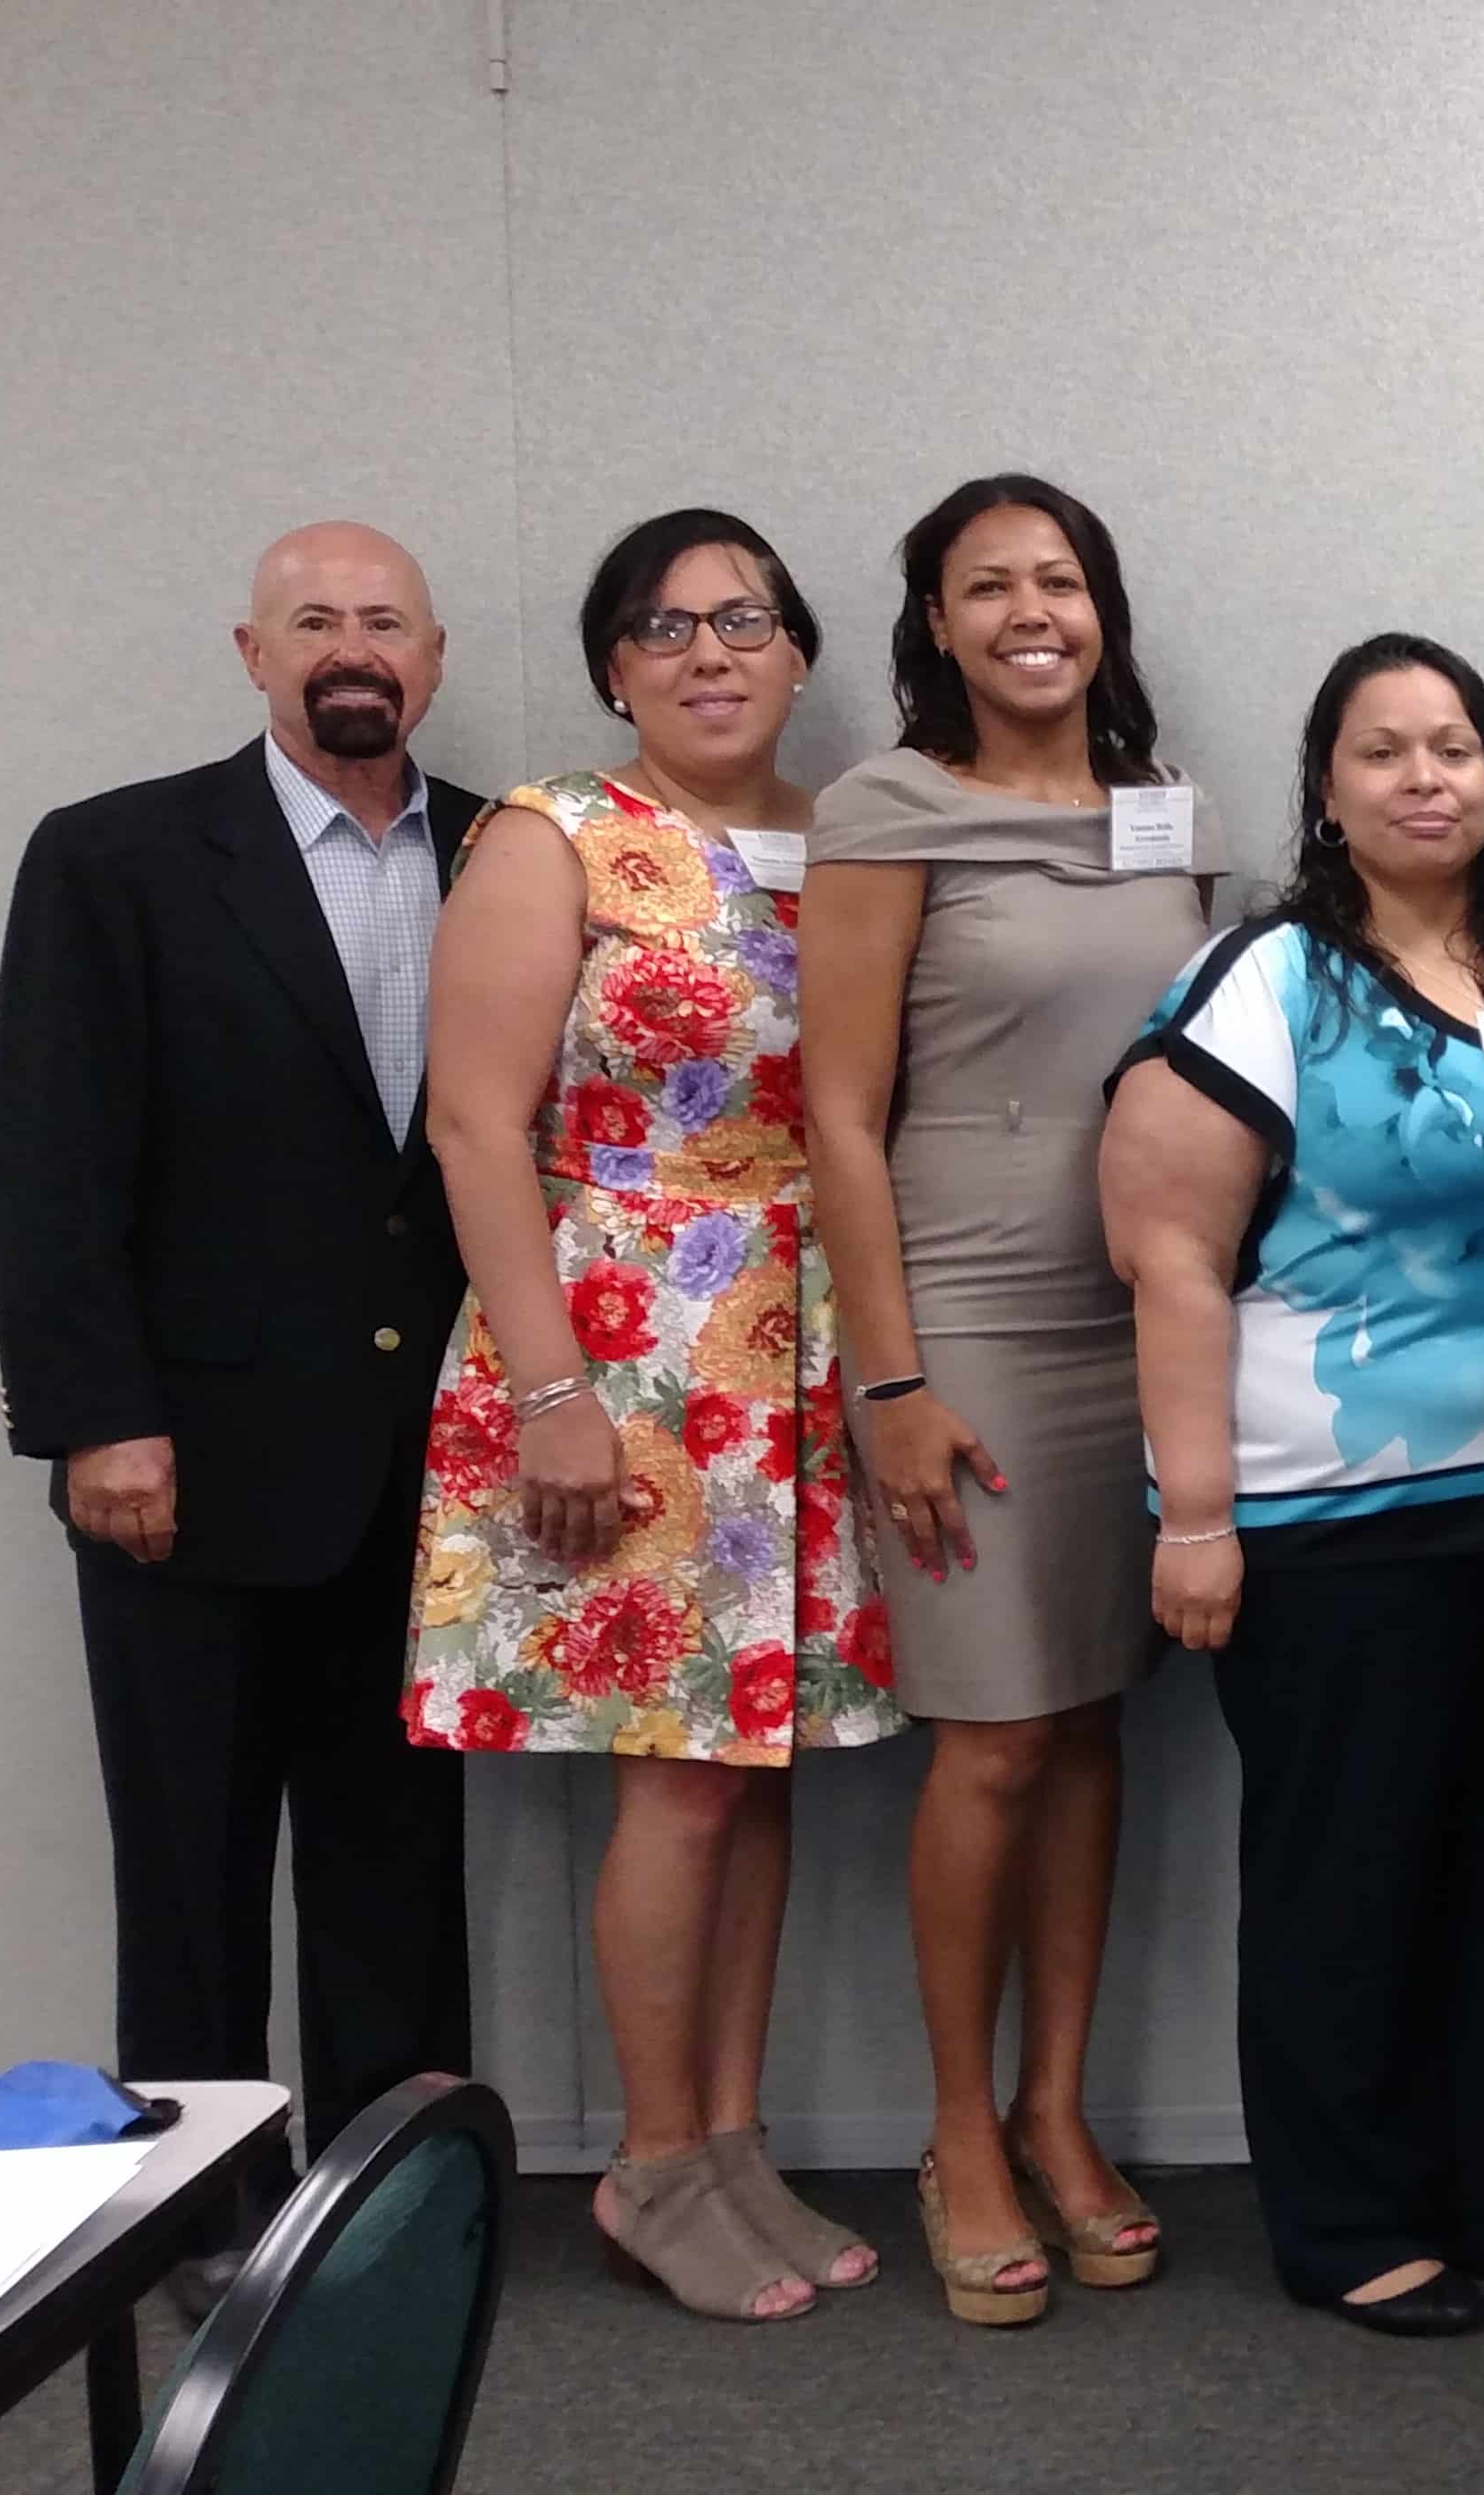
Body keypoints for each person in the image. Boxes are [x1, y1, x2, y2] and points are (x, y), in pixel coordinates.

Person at [1104, 634, 1484, 2340]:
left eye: (1453, 747)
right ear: (1329, 791)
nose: (1425, 778)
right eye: (1383, 752)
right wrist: (1193, 1516)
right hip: (1335, 1530)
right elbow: (1171, 1256)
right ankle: (1347, 2218)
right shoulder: (1271, 979)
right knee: (1349, 1875)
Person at [401, 508, 907, 2323]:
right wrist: (552, 1392)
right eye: (667, 626)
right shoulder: (557, 837)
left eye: (747, 622)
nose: (710, 653)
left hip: (799, 1339)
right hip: (626, 1342)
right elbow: (475, 1124)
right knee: (675, 1785)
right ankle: (648, 2162)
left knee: (754, 1771)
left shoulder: (851, 838)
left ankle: (730, 2133)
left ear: (796, 656)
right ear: (616, 663)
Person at [0, 521, 485, 2309]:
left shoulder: (508, 852)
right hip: (183, 1469)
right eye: (313, 621)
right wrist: (95, 1421)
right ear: (252, 653)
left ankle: (395, 2213)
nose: (352, 647)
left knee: (395, 1874)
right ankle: (196, 2222)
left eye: (384, 622)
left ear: (433, 655)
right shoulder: (118, 857)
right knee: (189, 1866)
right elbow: (47, 1164)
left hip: (434, 1465)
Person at [801, 474, 1216, 2320]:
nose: (1030, 611)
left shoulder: (1162, 814)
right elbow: (834, 1107)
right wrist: (883, 1374)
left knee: (1091, 1725)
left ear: (1101, 608)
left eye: (1060, 580)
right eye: (989, 587)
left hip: (1134, 1313)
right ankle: (955, 2130)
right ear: (937, 625)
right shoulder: (885, 808)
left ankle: (1057, 2112)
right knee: (991, 1739)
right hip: (959, 1314)